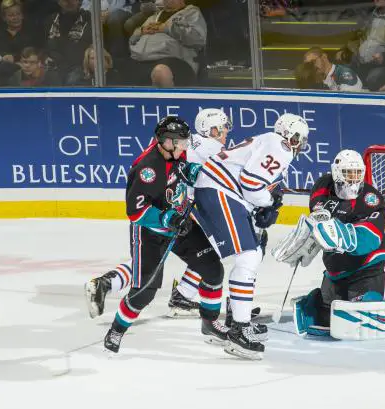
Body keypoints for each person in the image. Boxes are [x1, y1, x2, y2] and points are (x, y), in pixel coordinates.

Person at [100, 116, 225, 353]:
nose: (186, 147)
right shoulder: (147, 169)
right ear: (167, 142)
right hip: (150, 232)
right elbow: (135, 212)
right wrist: (168, 218)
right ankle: (116, 329)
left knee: (213, 269)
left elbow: (179, 172)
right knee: (144, 292)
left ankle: (209, 323)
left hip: (179, 226)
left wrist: (192, 170)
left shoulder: (175, 153)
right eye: (182, 143)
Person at [191, 113, 309, 360]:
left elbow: (250, 183)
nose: (299, 143)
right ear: (288, 134)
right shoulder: (280, 146)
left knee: (253, 250)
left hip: (219, 191)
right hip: (219, 191)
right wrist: (268, 203)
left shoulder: (269, 142)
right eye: (298, 137)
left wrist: (264, 206)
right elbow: (252, 184)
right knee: (248, 256)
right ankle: (239, 329)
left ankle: (238, 320)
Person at [274, 150, 385, 335]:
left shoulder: (371, 198)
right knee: (320, 317)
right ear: (337, 172)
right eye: (348, 173)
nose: (354, 179)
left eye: (357, 173)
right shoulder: (323, 186)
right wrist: (308, 239)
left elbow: (371, 238)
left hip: (370, 267)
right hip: (337, 271)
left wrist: (342, 234)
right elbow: (318, 219)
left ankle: (380, 303)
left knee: (364, 312)